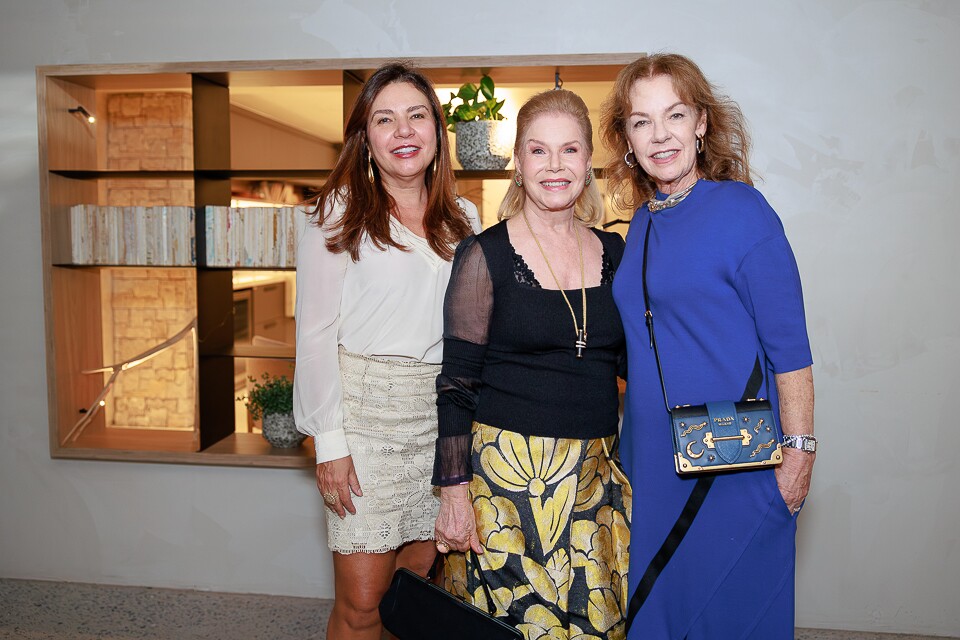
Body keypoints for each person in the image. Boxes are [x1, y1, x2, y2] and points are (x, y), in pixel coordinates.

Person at [599, 53, 816, 639]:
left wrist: (799, 454)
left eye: (674, 115)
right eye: (641, 121)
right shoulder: (641, 222)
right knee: (663, 615)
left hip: (735, 461)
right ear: (626, 138)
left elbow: (790, 351)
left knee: (734, 616)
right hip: (656, 458)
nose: (660, 134)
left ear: (701, 123)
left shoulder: (744, 212)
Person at [432, 89, 631, 639]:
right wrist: (454, 495)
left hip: (594, 480)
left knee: (598, 628)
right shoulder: (484, 255)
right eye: (538, 151)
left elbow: (638, 365)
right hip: (506, 485)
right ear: (518, 163)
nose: (555, 166)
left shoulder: (617, 253)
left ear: (588, 162)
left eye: (569, 151)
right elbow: (455, 385)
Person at [293, 62, 480, 640]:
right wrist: (330, 442)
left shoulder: (465, 219)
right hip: (363, 425)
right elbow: (315, 334)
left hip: (437, 424)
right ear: (366, 138)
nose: (404, 131)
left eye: (416, 115)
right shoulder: (336, 213)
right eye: (385, 118)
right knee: (363, 603)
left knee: (414, 594)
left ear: (436, 131)